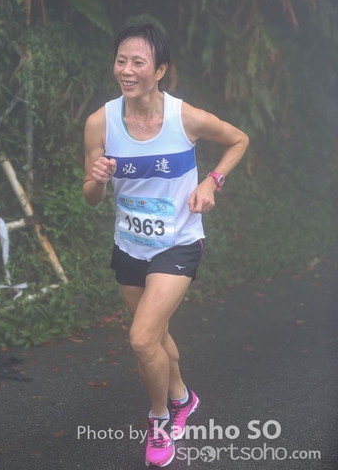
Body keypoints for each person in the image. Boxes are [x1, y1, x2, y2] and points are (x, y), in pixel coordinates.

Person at [83, 24, 249, 467]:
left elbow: (239, 140)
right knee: (156, 336)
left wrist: (212, 182)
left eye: (138, 62)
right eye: (121, 61)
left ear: (160, 70)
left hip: (178, 243)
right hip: (129, 245)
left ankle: (159, 420)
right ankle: (182, 397)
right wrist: (97, 180)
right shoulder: (100, 123)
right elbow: (91, 195)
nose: (126, 70)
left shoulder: (185, 118)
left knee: (141, 339)